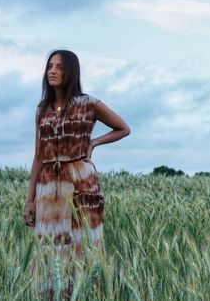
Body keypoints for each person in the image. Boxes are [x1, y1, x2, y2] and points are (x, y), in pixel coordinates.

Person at [23, 49, 130, 297]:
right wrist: (30, 199)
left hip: (81, 183)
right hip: (49, 186)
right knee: (50, 251)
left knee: (84, 248)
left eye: (59, 66)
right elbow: (39, 155)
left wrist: (94, 143)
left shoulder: (89, 103)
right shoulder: (42, 110)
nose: (52, 70)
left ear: (71, 71)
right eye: (50, 66)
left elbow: (123, 128)